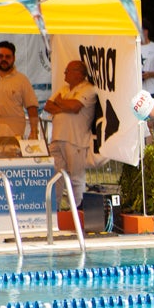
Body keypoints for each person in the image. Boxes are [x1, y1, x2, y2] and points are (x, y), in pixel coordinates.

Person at [44, 60, 98, 208]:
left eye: (67, 70)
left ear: (78, 73)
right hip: (57, 138)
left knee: (75, 178)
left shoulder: (88, 89)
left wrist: (60, 103)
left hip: (75, 140)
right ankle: (54, 210)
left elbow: (75, 106)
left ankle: (78, 210)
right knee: (55, 177)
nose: (65, 73)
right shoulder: (64, 88)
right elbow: (48, 106)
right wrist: (65, 105)